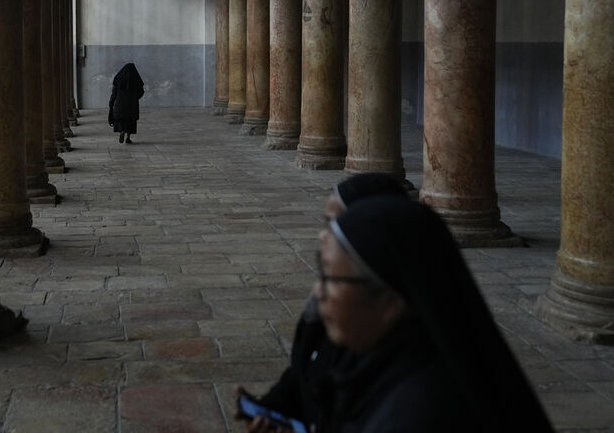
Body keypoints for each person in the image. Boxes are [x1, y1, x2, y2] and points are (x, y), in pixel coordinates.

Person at [244, 195, 555, 433]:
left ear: (391, 300)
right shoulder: (377, 358)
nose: (318, 292)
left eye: (333, 280)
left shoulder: (418, 414)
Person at [236, 173, 409, 431]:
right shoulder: (335, 306)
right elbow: (306, 374)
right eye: (326, 224)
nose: (324, 237)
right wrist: (271, 408)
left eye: (336, 224)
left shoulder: (409, 388)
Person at [108, 63, 144, 144]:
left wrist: (111, 102)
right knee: (131, 121)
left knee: (122, 120)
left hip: (120, 104)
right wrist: (135, 98)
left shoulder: (118, 78)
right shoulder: (136, 79)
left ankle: (122, 131)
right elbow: (141, 92)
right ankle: (128, 138)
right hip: (132, 104)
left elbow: (114, 93)